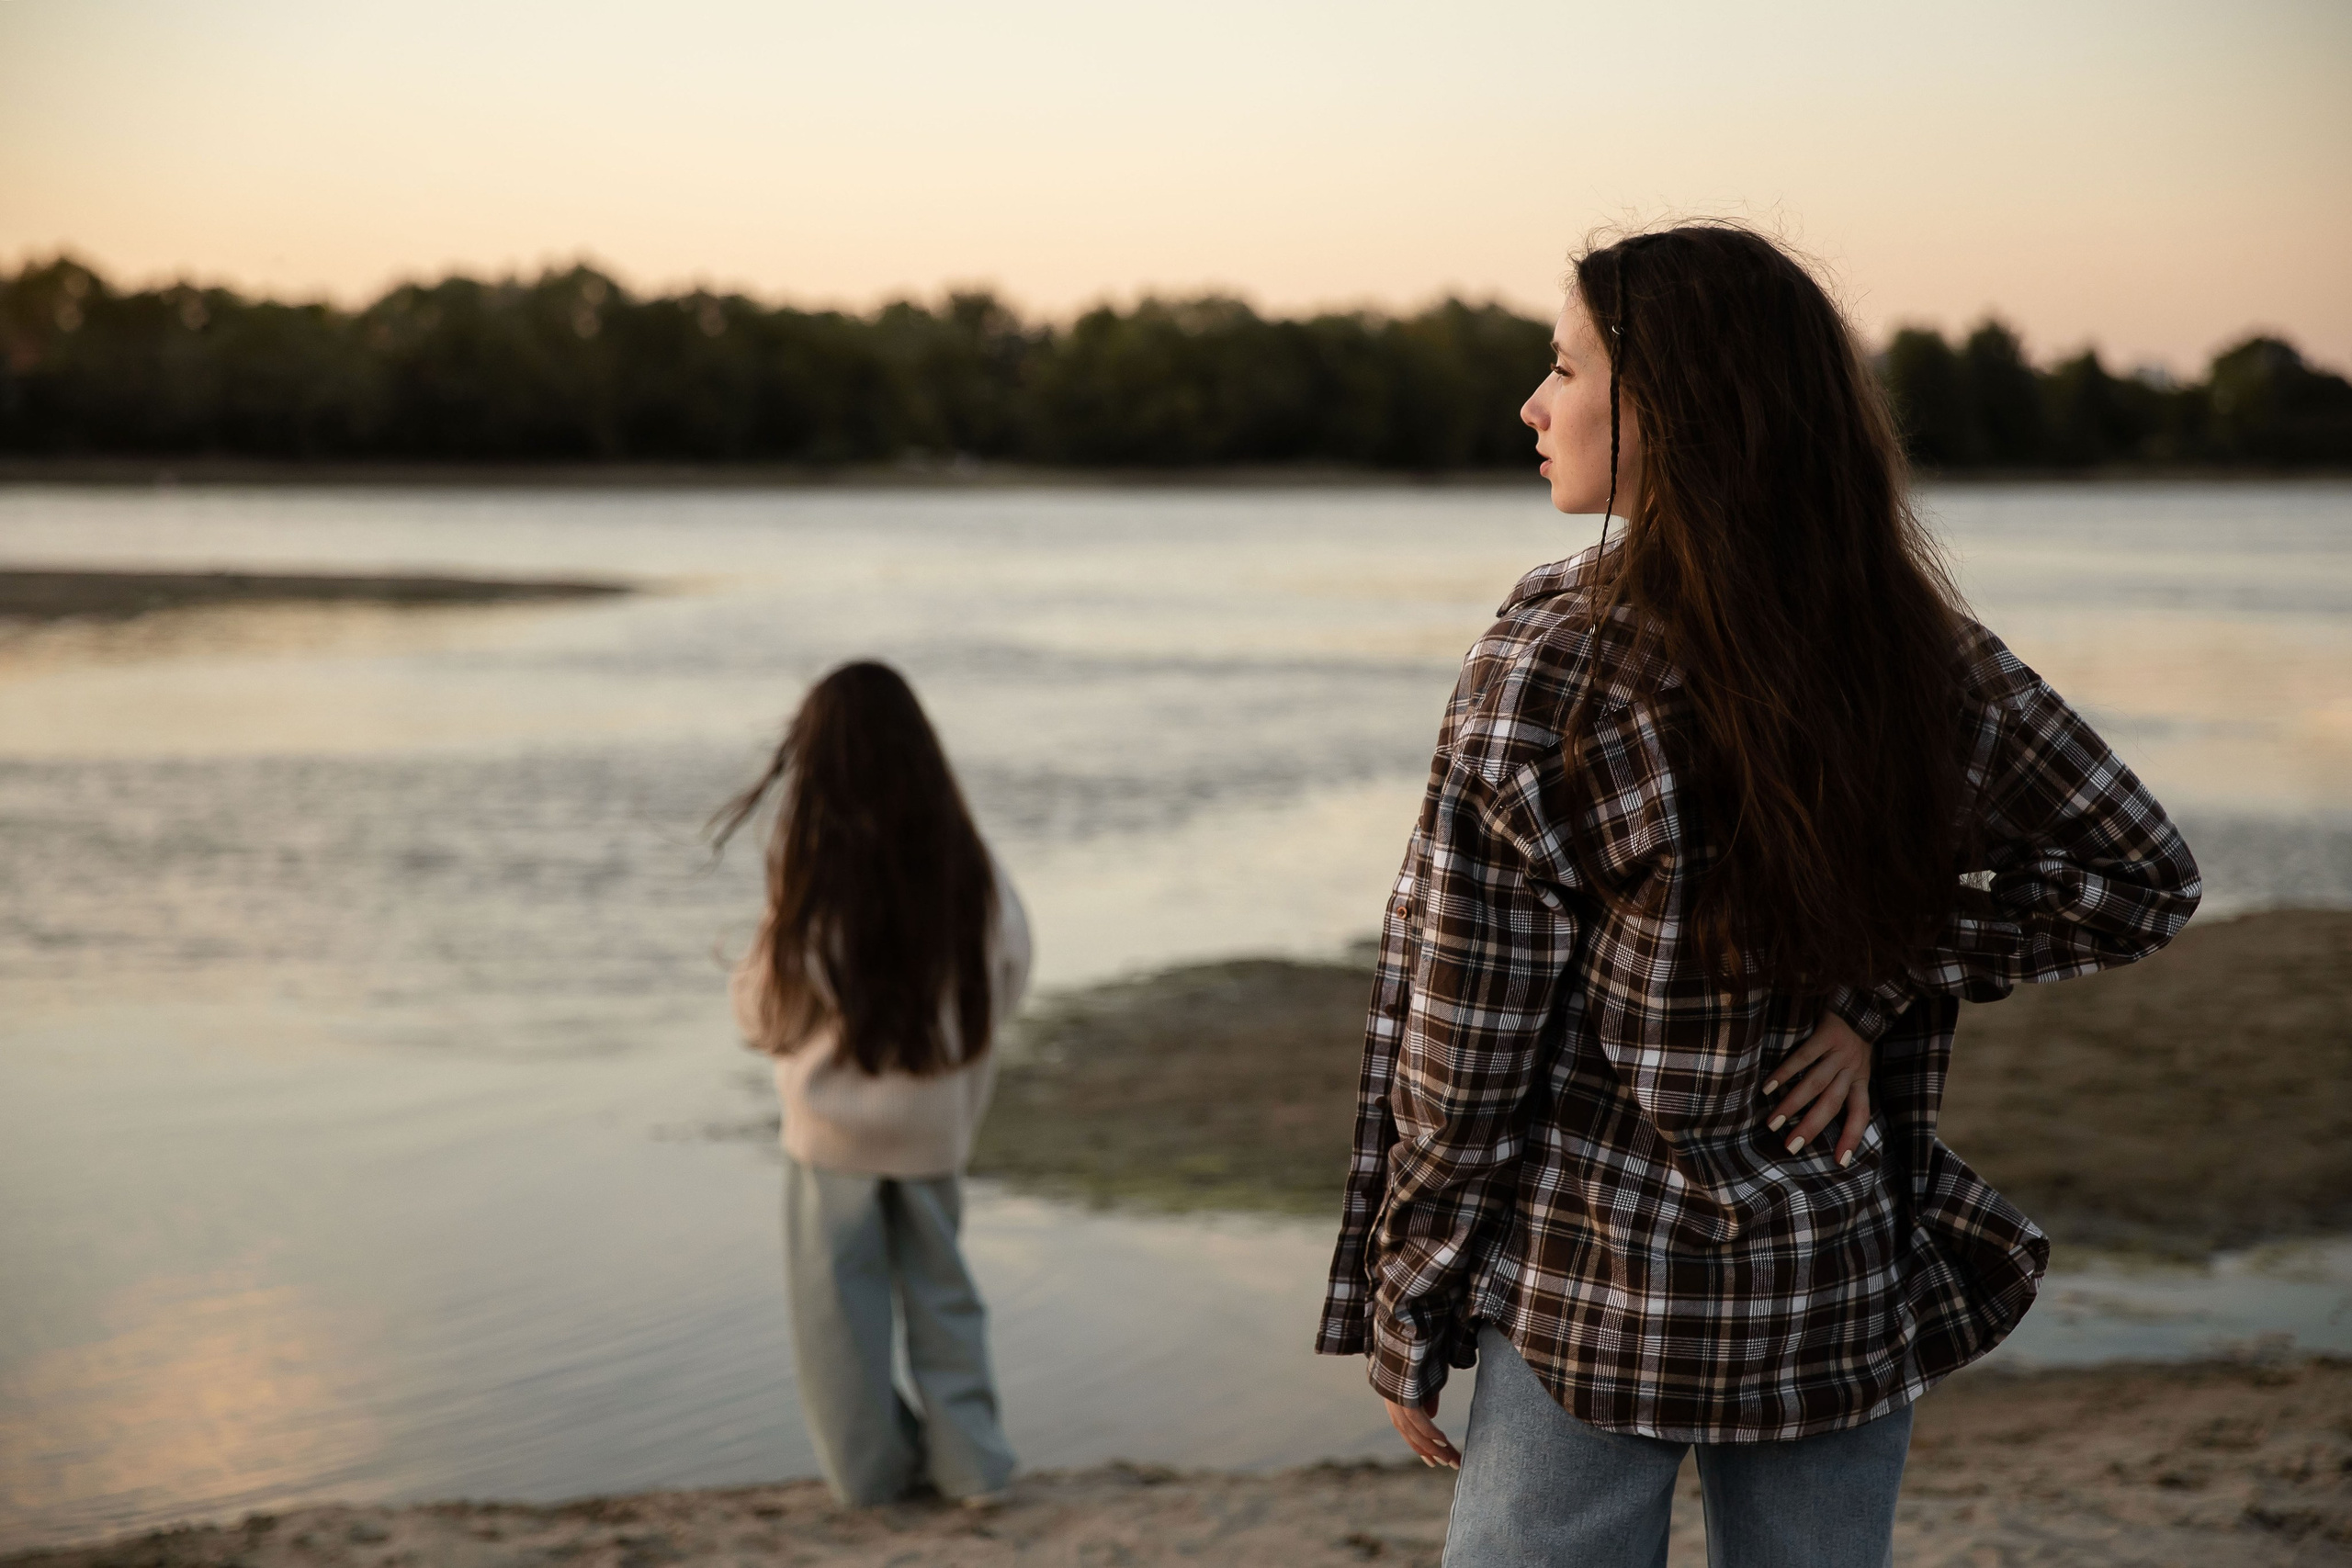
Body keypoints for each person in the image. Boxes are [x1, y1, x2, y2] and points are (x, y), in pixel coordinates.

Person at [1315, 224, 2200, 1567]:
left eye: (1563, 368)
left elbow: (1464, 1035)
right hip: (1831, 1272)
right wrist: (1882, 980)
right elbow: (2140, 873)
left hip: (1598, 1283)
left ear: (1669, 411)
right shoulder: (1911, 644)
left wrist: (1408, 1298)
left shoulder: (1556, 659)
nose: (1532, 404)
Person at [711, 660, 1026, 1509]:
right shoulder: (968, 861)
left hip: (829, 1134)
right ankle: (971, 1466)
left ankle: (872, 1476)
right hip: (931, 1127)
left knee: (837, 1319)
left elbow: (765, 1004)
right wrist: (957, 1059)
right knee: (943, 1297)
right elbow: (1011, 965)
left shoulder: (816, 872)